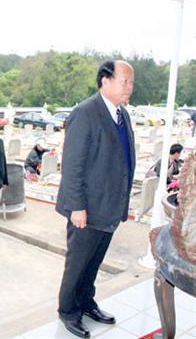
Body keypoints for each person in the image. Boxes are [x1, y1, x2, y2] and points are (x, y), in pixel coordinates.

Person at [55, 60, 136, 338]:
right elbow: (73, 164)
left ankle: (86, 302)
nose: (130, 87)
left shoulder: (121, 114)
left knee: (93, 262)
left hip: (109, 206)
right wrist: (77, 206)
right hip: (86, 208)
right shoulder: (85, 113)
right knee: (77, 263)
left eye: (131, 82)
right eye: (125, 81)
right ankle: (68, 310)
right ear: (105, 80)